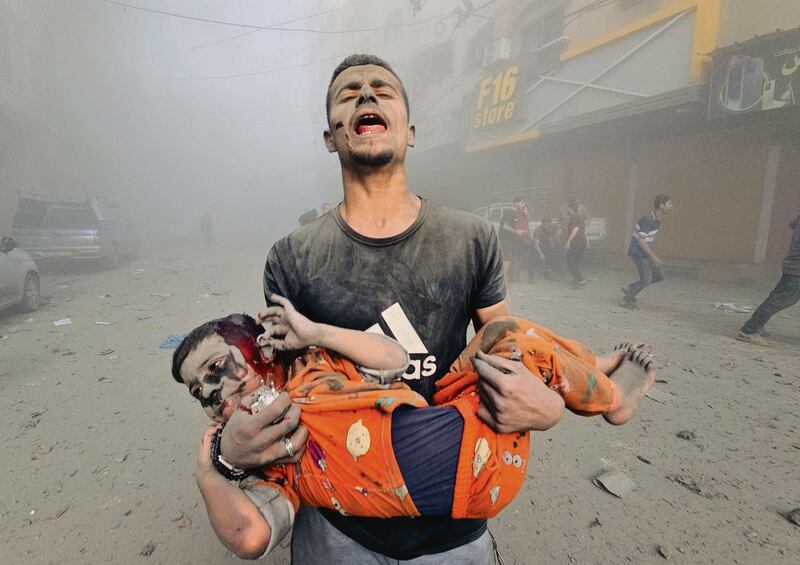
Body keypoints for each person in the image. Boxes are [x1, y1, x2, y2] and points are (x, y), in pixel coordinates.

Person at [217, 53, 569, 563]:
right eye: (348, 92)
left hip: (453, 524)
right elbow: (284, 386)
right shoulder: (292, 256)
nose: (365, 93)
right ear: (331, 138)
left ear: (410, 131)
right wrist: (226, 455)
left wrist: (548, 407)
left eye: (383, 88)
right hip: (338, 525)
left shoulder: (472, 238)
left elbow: (506, 347)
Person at [175, 295, 655, 559]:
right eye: (199, 392)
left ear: (260, 347)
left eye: (217, 368)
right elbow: (249, 537)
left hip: (465, 430)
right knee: (513, 343)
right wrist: (213, 469)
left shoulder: (318, 364)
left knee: (503, 334)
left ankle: (601, 385)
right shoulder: (267, 453)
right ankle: (598, 385)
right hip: (469, 473)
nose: (213, 393)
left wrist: (317, 332)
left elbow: (395, 357)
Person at [736, 214, 800, 346]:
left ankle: (755, 326)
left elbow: (792, 224)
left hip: (794, 265)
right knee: (779, 300)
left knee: (779, 299)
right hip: (797, 269)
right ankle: (748, 331)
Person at [622, 194, 674, 309]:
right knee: (646, 279)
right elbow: (641, 241)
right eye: (669, 203)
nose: (671, 206)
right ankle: (627, 299)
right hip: (639, 253)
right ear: (661, 205)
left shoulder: (656, 218)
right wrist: (654, 257)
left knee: (659, 276)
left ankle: (631, 288)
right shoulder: (648, 219)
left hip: (646, 252)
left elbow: (648, 239)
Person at [500, 196, 532, 283]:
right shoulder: (510, 212)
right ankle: (503, 279)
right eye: (522, 203)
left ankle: (508, 277)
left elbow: (518, 225)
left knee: (511, 257)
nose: (523, 205)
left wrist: (521, 230)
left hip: (512, 239)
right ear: (516, 203)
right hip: (506, 239)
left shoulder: (516, 213)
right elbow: (505, 226)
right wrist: (516, 231)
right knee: (507, 258)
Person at [564, 200, 588, 288]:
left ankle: (580, 280)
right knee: (575, 261)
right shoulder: (579, 216)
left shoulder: (574, 216)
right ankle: (576, 279)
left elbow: (576, 229)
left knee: (571, 261)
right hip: (581, 242)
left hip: (577, 242)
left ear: (570, 209)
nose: (567, 210)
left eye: (567, 208)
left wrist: (568, 241)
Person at [532, 214, 562, 280]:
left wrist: (557, 234)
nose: (546, 226)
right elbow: (535, 244)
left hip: (547, 244)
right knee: (540, 258)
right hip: (538, 246)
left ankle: (547, 273)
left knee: (551, 257)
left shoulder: (552, 226)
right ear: (542, 224)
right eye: (544, 224)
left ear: (550, 224)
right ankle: (535, 273)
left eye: (547, 224)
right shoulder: (538, 230)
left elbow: (560, 226)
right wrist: (541, 254)